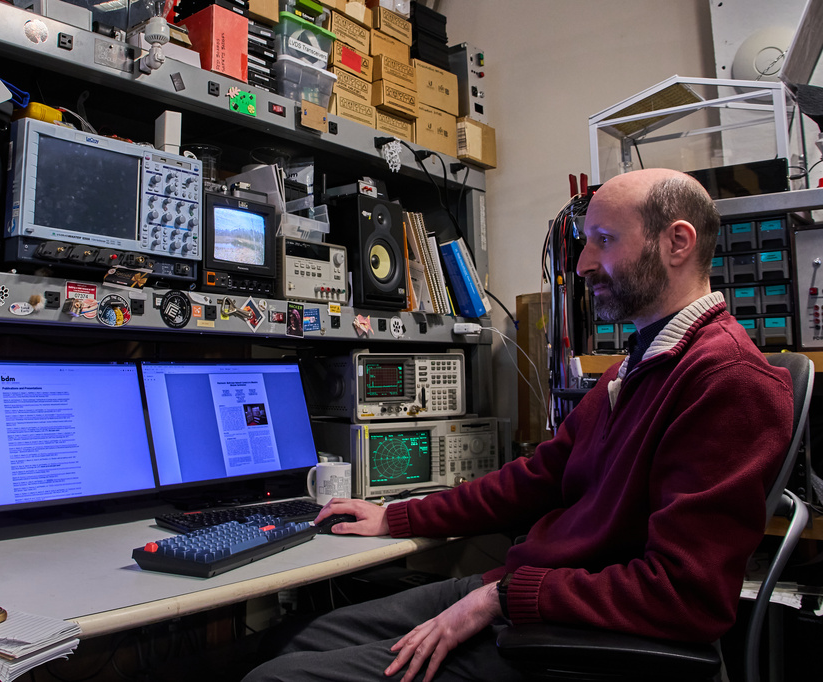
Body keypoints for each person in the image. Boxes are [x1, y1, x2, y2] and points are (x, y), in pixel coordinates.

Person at [242, 168, 794, 682]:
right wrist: (397, 516)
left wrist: (502, 598)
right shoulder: (640, 361)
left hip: (570, 635)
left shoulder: (729, 382)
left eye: (604, 240)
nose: (581, 265)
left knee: (277, 677)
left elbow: (684, 596)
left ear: (678, 242)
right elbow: (537, 476)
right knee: (287, 640)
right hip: (527, 592)